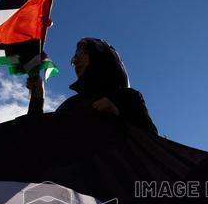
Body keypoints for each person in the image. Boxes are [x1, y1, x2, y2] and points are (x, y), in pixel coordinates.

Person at [30, 37, 158, 136]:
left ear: (101, 57)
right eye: (75, 56)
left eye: (83, 52)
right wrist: (37, 98)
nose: (75, 61)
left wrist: (117, 115)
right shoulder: (70, 105)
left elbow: (152, 142)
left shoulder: (128, 97)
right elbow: (39, 141)